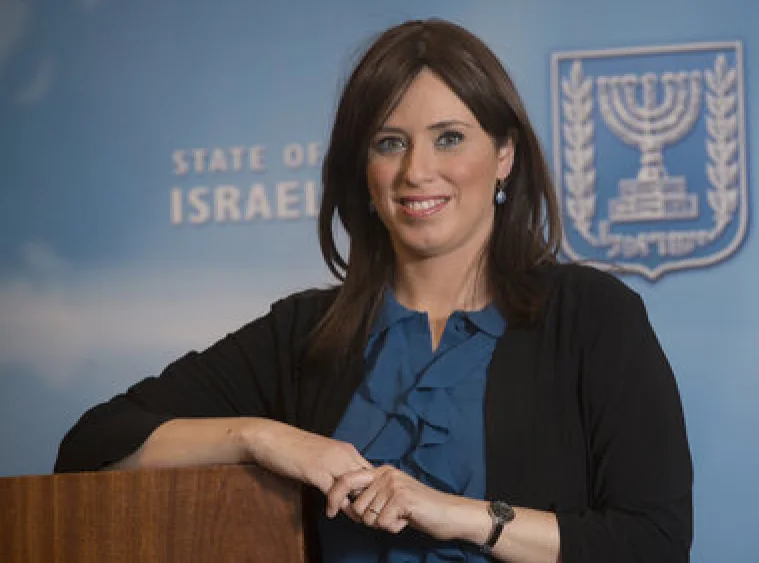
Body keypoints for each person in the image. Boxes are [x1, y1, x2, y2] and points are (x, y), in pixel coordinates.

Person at [55, 18, 693, 563]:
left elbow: (655, 541)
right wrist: (265, 439)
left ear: (504, 155)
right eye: (390, 143)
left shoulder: (592, 317)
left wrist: (463, 516)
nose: (417, 171)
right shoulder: (305, 334)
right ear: (363, 171)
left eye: (449, 137)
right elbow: (91, 447)